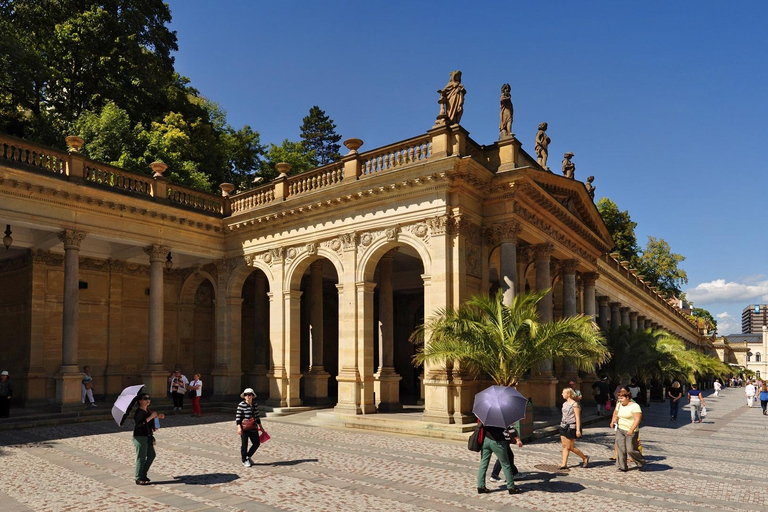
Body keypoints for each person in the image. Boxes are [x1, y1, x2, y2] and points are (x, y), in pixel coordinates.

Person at [477, 422, 519, 495]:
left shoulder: (487, 414)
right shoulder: (502, 416)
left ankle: (481, 487)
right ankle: (511, 487)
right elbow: (510, 429)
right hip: (498, 442)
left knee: (483, 464)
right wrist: (517, 439)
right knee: (506, 464)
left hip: (486, 440)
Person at [133, 393, 164, 485]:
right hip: (140, 437)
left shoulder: (147, 411)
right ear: (140, 401)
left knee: (151, 455)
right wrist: (151, 417)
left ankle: (143, 474)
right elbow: (139, 423)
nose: (147, 400)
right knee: (141, 458)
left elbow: (149, 422)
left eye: (148, 398)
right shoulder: (139, 412)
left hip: (148, 436)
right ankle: (138, 477)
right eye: (145, 398)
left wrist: (158, 417)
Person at [611, 388, 646, 471]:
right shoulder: (619, 404)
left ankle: (640, 461)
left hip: (631, 431)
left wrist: (631, 429)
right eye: (619, 398)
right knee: (621, 448)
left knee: (631, 449)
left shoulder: (635, 406)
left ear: (627, 397)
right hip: (620, 429)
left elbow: (637, 419)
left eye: (622, 398)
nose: (620, 400)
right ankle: (622, 466)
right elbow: (616, 413)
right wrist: (613, 420)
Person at [558, 388, 589, 470]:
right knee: (564, 446)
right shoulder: (564, 404)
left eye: (563, 393)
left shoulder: (575, 404)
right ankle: (563, 464)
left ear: (568, 394)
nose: (562, 394)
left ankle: (584, 457)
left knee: (570, 447)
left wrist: (578, 430)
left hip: (571, 427)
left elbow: (577, 418)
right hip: (563, 426)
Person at [236, 388, 264, 468]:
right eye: (246, 395)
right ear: (244, 396)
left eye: (249, 395)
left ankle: (248, 456)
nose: (247, 396)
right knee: (244, 444)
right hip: (244, 427)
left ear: (252, 395)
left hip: (253, 426)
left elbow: (257, 417)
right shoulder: (241, 405)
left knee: (256, 443)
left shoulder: (255, 405)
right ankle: (244, 460)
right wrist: (239, 428)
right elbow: (238, 417)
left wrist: (261, 427)